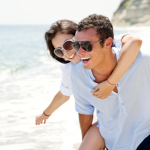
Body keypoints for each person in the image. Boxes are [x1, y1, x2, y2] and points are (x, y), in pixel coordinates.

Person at [35, 19, 142, 150]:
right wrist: (45, 114)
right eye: (59, 51)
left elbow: (135, 42)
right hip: (109, 119)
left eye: (68, 45)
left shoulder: (104, 44)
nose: (66, 53)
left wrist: (110, 83)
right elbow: (64, 95)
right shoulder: (71, 70)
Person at [71, 14, 150, 150]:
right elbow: (84, 111)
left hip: (146, 135)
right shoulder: (78, 75)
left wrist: (110, 83)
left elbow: (135, 41)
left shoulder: (141, 61)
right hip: (114, 143)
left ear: (107, 43)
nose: (80, 52)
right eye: (76, 45)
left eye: (86, 45)